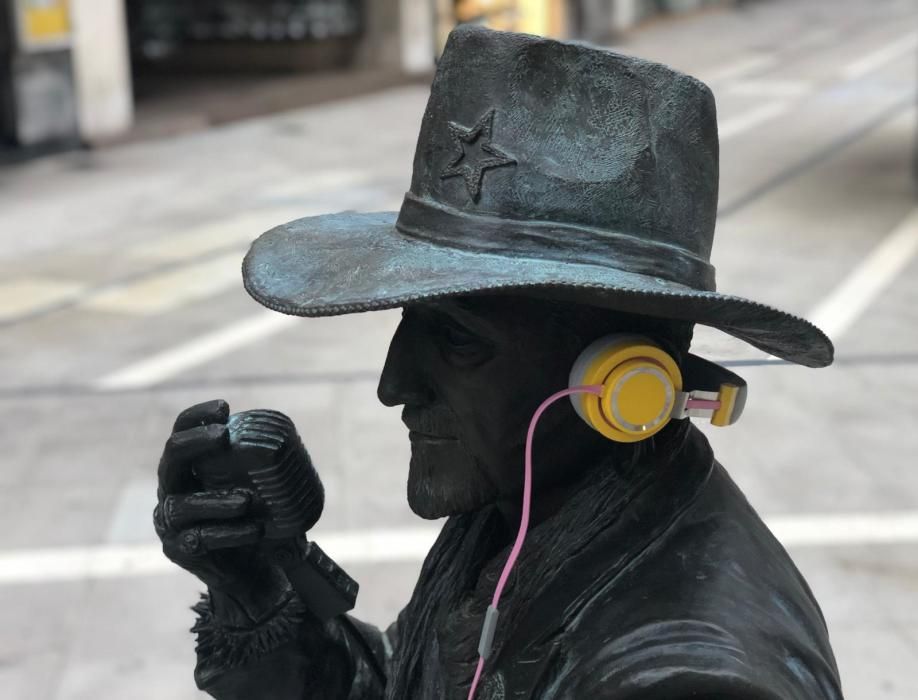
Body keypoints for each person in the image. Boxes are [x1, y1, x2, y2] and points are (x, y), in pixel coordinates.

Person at [153, 25, 843, 699]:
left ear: (621, 381)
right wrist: (262, 595)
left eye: (457, 341)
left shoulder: (680, 681)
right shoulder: (532, 501)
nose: (394, 386)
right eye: (407, 324)